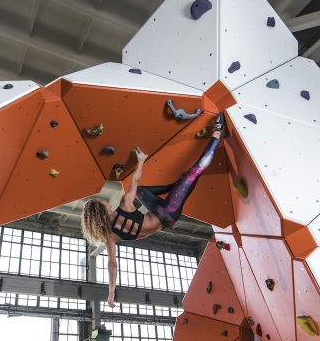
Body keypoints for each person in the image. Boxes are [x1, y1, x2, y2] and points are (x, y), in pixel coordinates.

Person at [82, 113, 226, 308]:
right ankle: (217, 133)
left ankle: (178, 185)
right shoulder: (124, 205)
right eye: (103, 204)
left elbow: (112, 265)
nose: (106, 202)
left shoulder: (110, 237)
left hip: (161, 217)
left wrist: (111, 292)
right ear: (101, 211)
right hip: (168, 212)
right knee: (196, 170)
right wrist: (140, 160)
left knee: (144, 191)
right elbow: (135, 180)